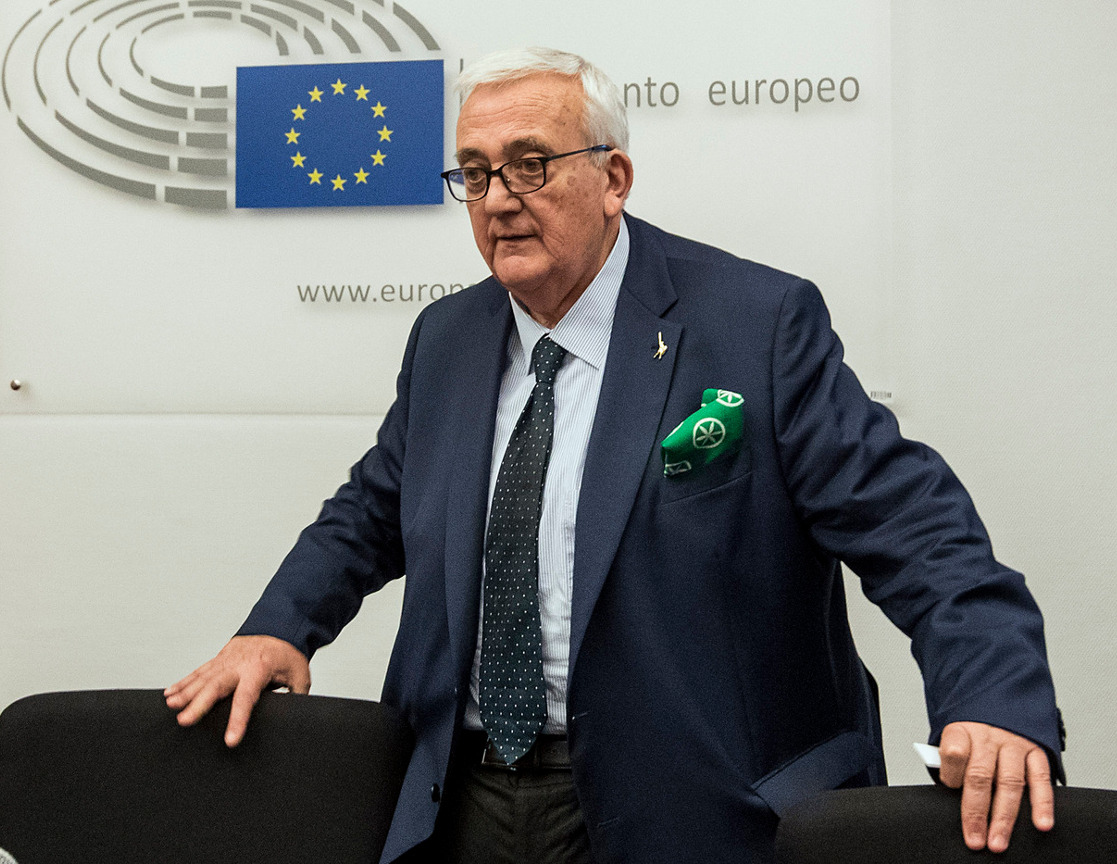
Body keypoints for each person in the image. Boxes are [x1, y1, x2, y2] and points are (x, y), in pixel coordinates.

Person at [166, 47, 1064, 864]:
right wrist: (277, 627)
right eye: (475, 173)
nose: (499, 198)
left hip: (698, 808)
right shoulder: (447, 337)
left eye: (530, 164)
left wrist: (991, 698)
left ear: (613, 178)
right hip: (463, 798)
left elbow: (916, 530)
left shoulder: (755, 327)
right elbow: (371, 511)